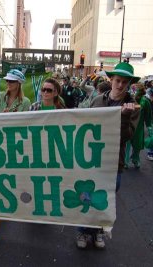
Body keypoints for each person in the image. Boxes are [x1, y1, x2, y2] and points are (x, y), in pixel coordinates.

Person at [76, 62, 140, 249]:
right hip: (91, 159)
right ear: (111, 80)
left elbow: (127, 137)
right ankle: (82, 231)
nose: (120, 85)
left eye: (125, 82)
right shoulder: (97, 101)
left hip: (114, 162)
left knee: (103, 198)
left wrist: (126, 116)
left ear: (129, 84)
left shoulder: (133, 107)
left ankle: (97, 232)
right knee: (86, 195)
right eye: (118, 81)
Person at [125, 83, 152, 168]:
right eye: (134, 89)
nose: (134, 91)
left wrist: (149, 127)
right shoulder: (129, 99)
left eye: (136, 89)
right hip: (128, 125)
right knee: (127, 145)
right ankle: (125, 161)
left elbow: (148, 115)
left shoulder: (145, 101)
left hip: (139, 127)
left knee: (136, 145)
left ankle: (135, 159)